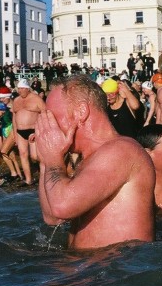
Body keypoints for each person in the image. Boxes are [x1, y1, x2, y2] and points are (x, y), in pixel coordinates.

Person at [36, 74, 155, 249]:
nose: (48, 124)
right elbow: (53, 217)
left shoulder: (121, 150)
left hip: (115, 271)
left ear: (81, 112)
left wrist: (53, 159)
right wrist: (46, 159)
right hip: (91, 268)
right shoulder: (91, 158)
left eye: (52, 116)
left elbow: (62, 206)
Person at [11, 78, 45, 185]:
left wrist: (38, 131)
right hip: (20, 132)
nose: (20, 91)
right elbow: (14, 117)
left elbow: (45, 113)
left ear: (27, 89)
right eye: (19, 89)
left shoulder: (36, 99)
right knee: (23, 154)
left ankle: (45, 174)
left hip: (33, 129)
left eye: (22, 89)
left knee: (34, 156)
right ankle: (28, 180)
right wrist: (15, 133)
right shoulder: (16, 100)